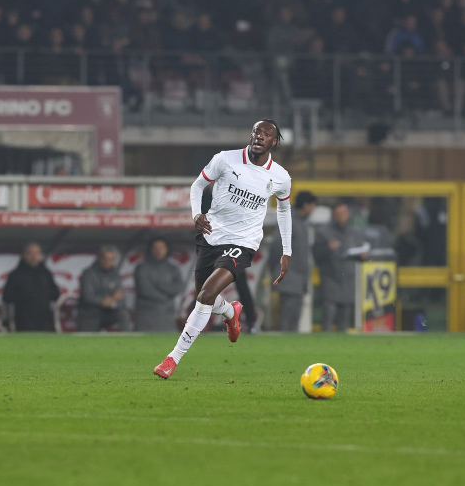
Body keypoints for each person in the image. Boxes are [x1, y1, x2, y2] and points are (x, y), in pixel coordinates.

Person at [154, 119, 292, 379]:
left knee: (206, 295)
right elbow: (197, 185)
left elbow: (284, 211)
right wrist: (196, 214)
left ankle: (172, 358)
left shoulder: (281, 176)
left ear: (274, 142)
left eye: (266, 134)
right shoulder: (225, 159)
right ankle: (231, 311)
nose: (259, 136)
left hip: (243, 242)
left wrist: (287, 251)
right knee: (205, 296)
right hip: (211, 235)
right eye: (256, 132)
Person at [312, 202, 369, 332]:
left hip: (347, 280)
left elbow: (361, 253)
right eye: (338, 214)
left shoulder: (354, 233)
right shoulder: (323, 232)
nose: (342, 216)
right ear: (333, 215)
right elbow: (316, 255)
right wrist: (327, 249)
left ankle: (342, 343)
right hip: (330, 280)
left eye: (344, 213)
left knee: (344, 321)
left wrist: (363, 255)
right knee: (328, 318)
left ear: (348, 214)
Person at [269, 191, 317, 331]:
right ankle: (284, 344)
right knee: (288, 319)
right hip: (289, 279)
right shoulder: (290, 221)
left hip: (297, 281)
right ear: (306, 205)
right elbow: (275, 247)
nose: (314, 209)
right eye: (313, 205)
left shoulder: (301, 222)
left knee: (293, 319)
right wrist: (277, 271)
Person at [2, 242, 60, 331]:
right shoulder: (16, 274)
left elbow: (56, 294)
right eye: (30, 253)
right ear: (24, 255)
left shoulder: (46, 273)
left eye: (36, 253)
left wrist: (43, 296)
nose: (33, 257)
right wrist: (26, 297)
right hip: (24, 320)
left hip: (45, 320)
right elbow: (7, 296)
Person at [134, 238, 185, 332]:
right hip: (146, 315)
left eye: (162, 248)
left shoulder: (173, 268)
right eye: (155, 248)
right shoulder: (142, 267)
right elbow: (145, 290)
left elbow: (178, 287)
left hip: (167, 316)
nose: (159, 251)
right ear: (150, 250)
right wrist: (166, 297)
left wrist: (159, 285)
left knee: (168, 340)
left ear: (167, 249)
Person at [77, 245, 130, 332]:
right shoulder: (88, 273)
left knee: (123, 314)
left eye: (111, 259)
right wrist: (103, 301)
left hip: (108, 312)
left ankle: (127, 338)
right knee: (88, 335)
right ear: (100, 258)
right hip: (89, 313)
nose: (108, 262)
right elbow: (87, 296)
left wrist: (112, 302)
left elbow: (120, 296)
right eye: (106, 259)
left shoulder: (115, 274)